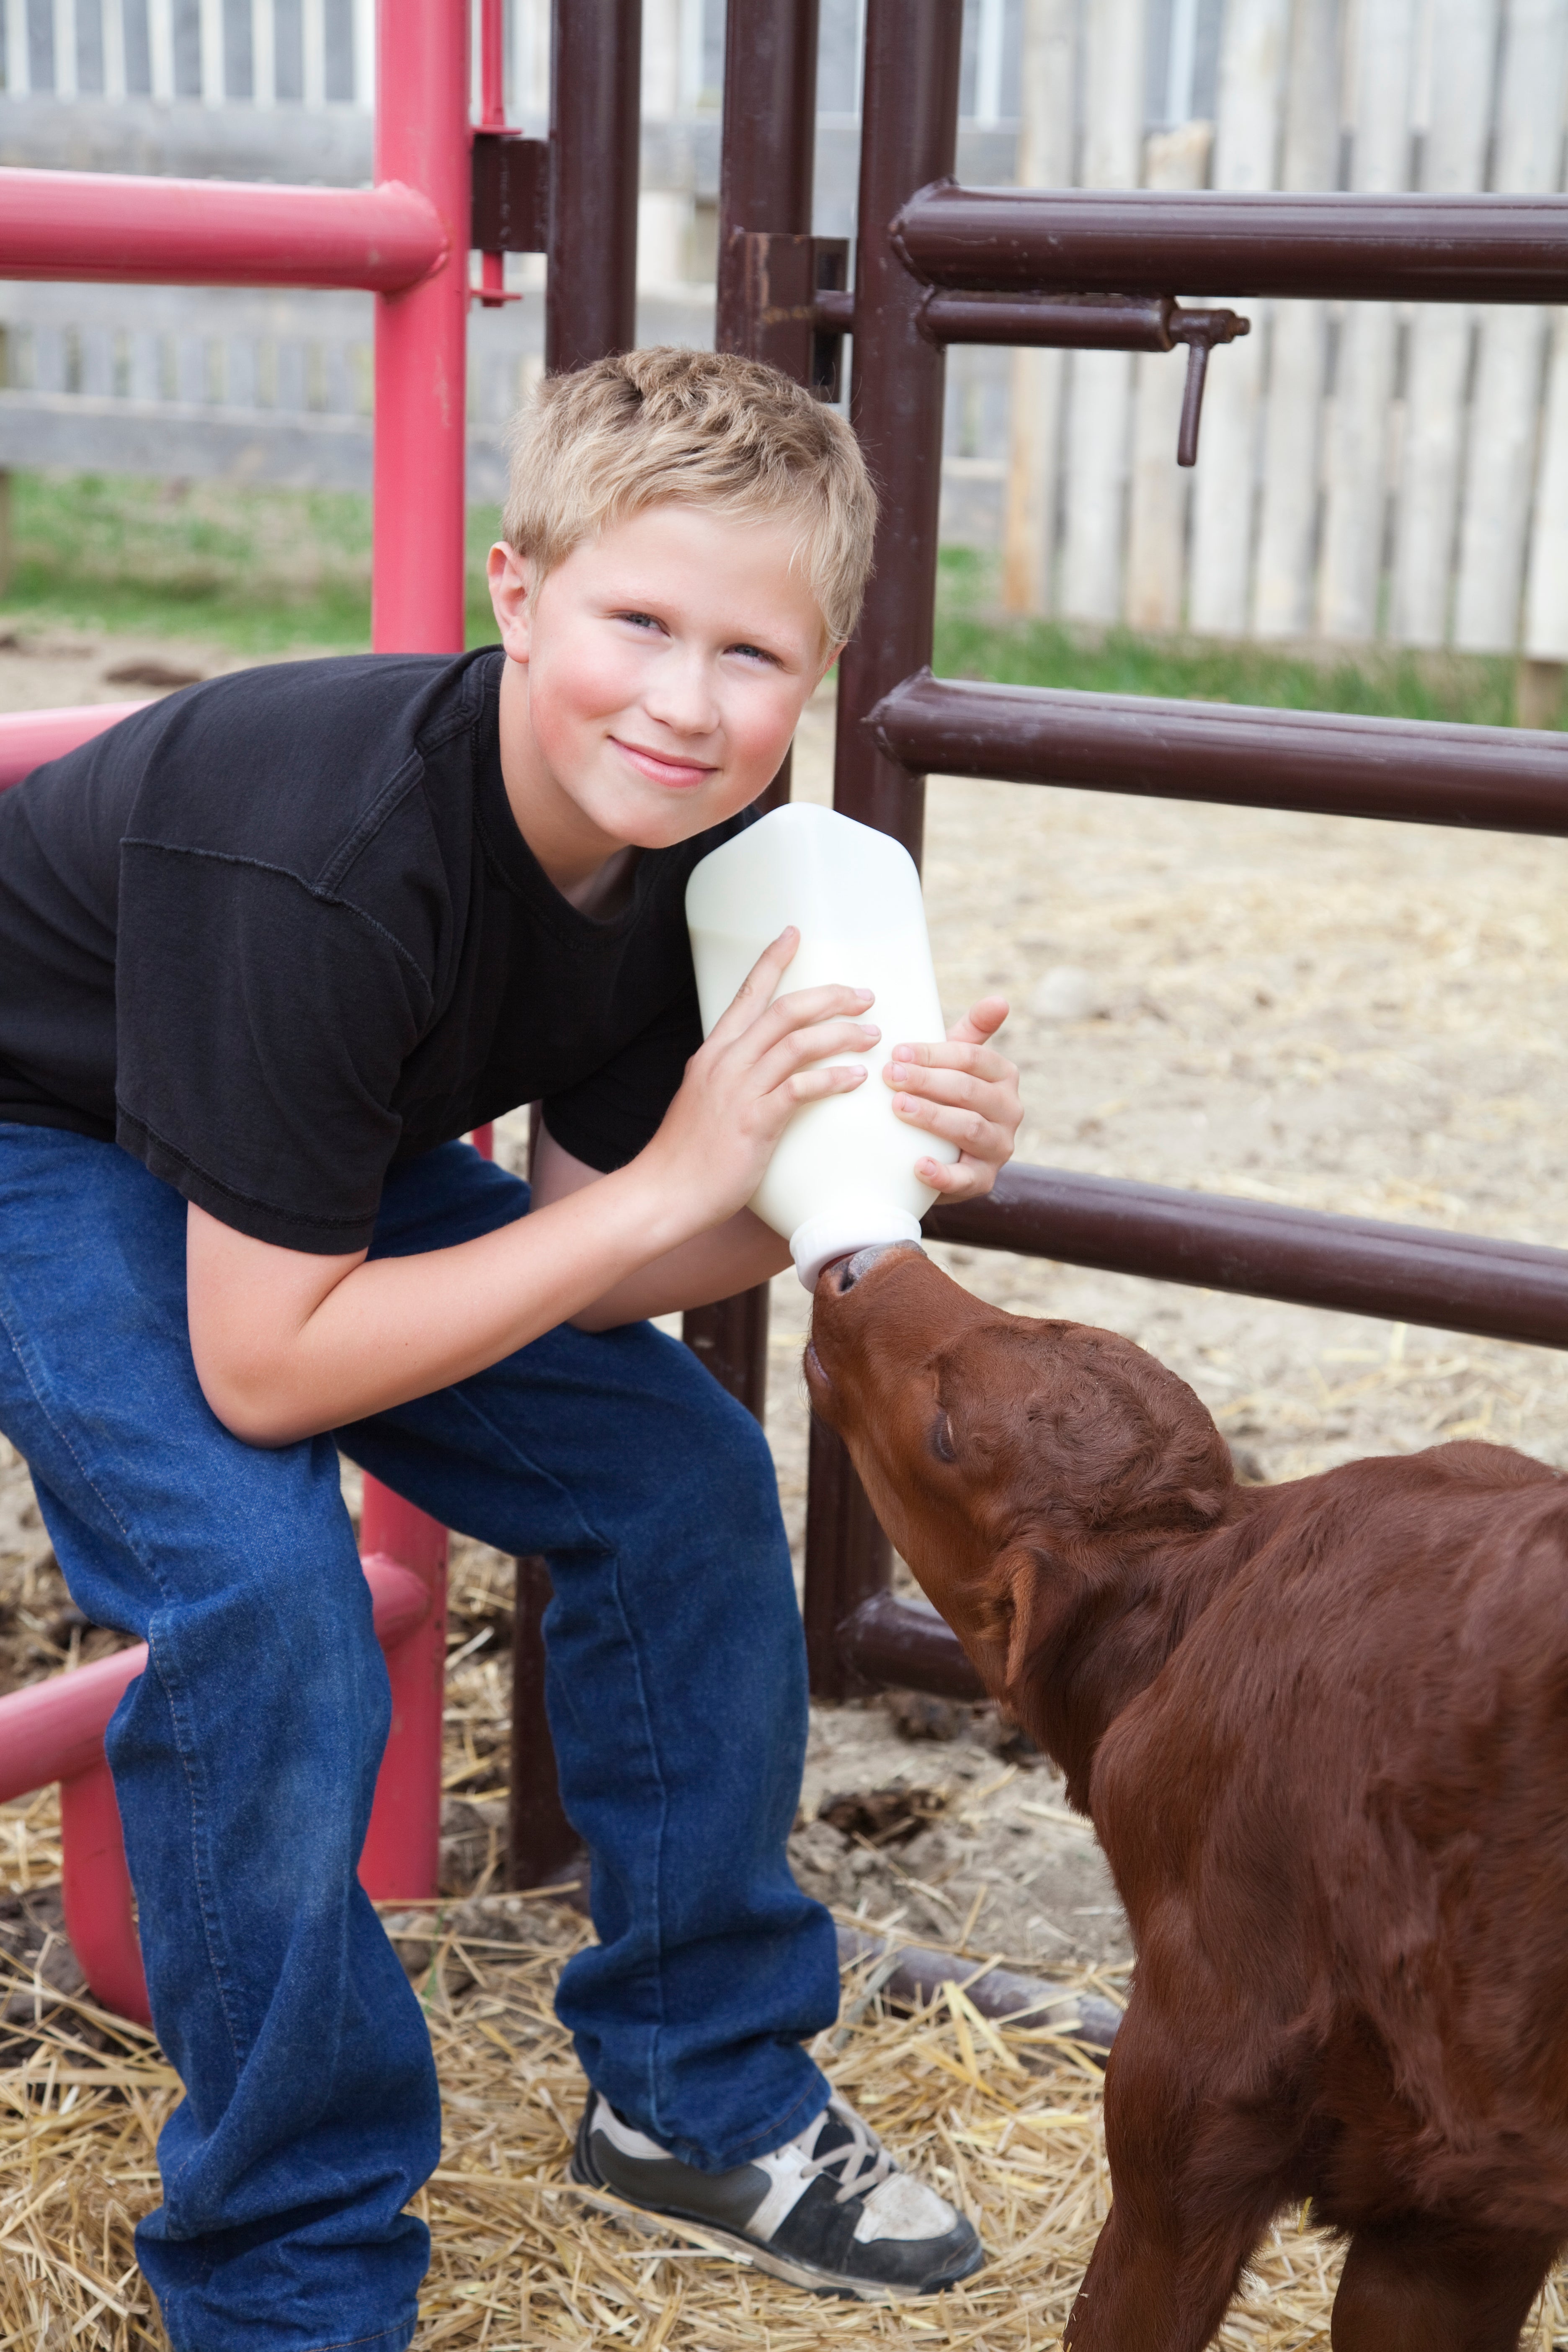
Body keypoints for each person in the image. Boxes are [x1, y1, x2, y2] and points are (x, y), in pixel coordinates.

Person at [0, 347, 1023, 2350]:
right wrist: (659, 1202)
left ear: (810, 675)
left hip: (303, 1162)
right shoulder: (325, 848)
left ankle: (699, 2092)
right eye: (638, 620)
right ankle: (286, 2261)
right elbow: (272, 1377)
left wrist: (884, 1172)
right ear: (515, 590)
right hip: (40, 1131)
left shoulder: (706, 849)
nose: (685, 699)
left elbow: (626, 1236)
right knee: (263, 1594)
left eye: (752, 652)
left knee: (677, 1477)